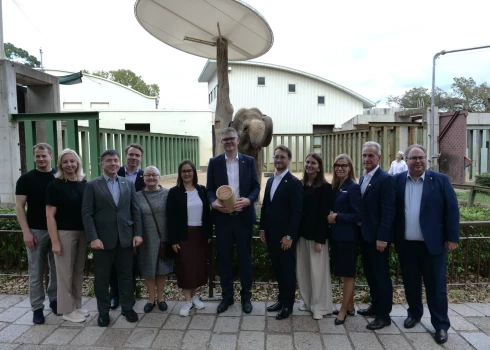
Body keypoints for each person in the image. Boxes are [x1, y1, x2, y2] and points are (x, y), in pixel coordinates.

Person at [393, 144, 459, 345]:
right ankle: (414, 314)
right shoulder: (396, 181)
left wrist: (452, 237)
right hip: (407, 245)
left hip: (433, 245)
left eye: (420, 157)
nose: (417, 161)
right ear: (406, 161)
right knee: (411, 284)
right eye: (413, 158)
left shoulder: (440, 180)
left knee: (436, 287)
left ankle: (440, 325)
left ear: (426, 160)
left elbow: (452, 210)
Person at [82, 149, 142, 327]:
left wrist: (138, 233)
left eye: (115, 160)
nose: (113, 163)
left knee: (126, 276)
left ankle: (127, 308)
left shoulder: (127, 183)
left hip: (125, 239)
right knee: (102, 278)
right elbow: (87, 214)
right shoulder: (92, 185)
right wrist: (93, 237)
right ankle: (103, 312)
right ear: (101, 164)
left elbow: (135, 210)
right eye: (108, 161)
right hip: (102, 241)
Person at [206, 127, 260, 314]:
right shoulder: (214, 162)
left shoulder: (249, 161)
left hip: (243, 218)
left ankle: (246, 297)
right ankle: (227, 297)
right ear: (222, 142)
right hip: (222, 219)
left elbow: (256, 186)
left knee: (245, 259)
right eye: (225, 139)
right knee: (225, 260)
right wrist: (213, 203)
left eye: (232, 139)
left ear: (238, 140)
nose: (229, 142)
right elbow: (210, 189)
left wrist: (249, 200)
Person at [15, 143, 58, 324]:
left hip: (57, 230)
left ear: (51, 156)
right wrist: (26, 232)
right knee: (36, 272)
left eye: (44, 156)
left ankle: (55, 300)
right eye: (38, 156)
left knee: (57, 270)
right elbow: (19, 206)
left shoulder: (59, 176)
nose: (41, 159)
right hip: (36, 231)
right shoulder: (25, 179)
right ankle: (37, 308)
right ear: (34, 158)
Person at [260, 145, 303, 320]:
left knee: (287, 271)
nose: (279, 160)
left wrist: (290, 235)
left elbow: (297, 212)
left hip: (285, 237)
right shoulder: (270, 180)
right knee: (278, 269)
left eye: (282, 157)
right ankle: (280, 299)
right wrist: (262, 228)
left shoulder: (294, 183)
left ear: (289, 159)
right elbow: (265, 207)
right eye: (276, 157)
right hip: (271, 234)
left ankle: (288, 305)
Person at [46, 149, 89, 323]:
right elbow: (50, 216)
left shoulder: (84, 184)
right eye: (65, 162)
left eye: (73, 161)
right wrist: (55, 241)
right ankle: (66, 310)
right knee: (65, 274)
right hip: (64, 233)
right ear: (60, 165)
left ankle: (77, 305)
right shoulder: (55, 185)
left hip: (82, 233)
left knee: (78, 271)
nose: (69, 164)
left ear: (78, 163)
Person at [357, 141, 395, 330]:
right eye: (364, 155)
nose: (367, 159)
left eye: (371, 155)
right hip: (365, 237)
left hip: (377, 239)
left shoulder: (385, 179)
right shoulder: (363, 177)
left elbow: (388, 211)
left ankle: (384, 315)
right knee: (370, 273)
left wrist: (383, 237)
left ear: (379, 157)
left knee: (381, 276)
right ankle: (375, 305)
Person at [167, 160, 213, 317]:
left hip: (200, 234)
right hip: (183, 235)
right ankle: (187, 301)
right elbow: (170, 218)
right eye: (183, 171)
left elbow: (207, 214)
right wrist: (173, 240)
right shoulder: (174, 192)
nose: (187, 173)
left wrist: (208, 234)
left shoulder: (202, 190)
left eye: (189, 170)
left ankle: (194, 297)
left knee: (197, 267)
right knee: (185, 267)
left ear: (194, 172)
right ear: (180, 174)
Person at [296, 153, 333, 320]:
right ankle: (308, 301)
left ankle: (320, 307)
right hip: (302, 236)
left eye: (313, 163)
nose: (309, 165)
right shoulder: (301, 185)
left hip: (316, 238)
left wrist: (320, 239)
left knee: (318, 274)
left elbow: (324, 216)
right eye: (307, 162)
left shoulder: (325, 187)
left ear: (319, 166)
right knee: (304, 272)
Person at [327, 154, 362, 326]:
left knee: (348, 275)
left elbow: (358, 215)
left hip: (348, 238)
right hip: (336, 237)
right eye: (337, 165)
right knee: (343, 273)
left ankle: (342, 311)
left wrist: (338, 217)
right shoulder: (336, 186)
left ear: (350, 168)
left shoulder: (353, 187)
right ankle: (350, 306)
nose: (340, 168)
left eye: (344, 165)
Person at [110, 143, 145, 309]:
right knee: (114, 264)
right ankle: (114, 295)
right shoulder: (115, 172)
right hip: (116, 226)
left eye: (137, 155)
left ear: (141, 158)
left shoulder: (145, 176)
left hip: (135, 226)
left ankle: (129, 295)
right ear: (126, 156)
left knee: (130, 265)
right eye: (131, 154)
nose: (134, 158)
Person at [136, 166, 172, 314]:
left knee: (162, 269)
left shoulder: (168, 194)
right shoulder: (137, 196)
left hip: (163, 238)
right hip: (145, 238)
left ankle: (161, 298)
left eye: (154, 175)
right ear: (143, 178)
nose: (151, 177)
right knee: (148, 268)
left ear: (159, 176)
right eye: (147, 175)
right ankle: (151, 299)